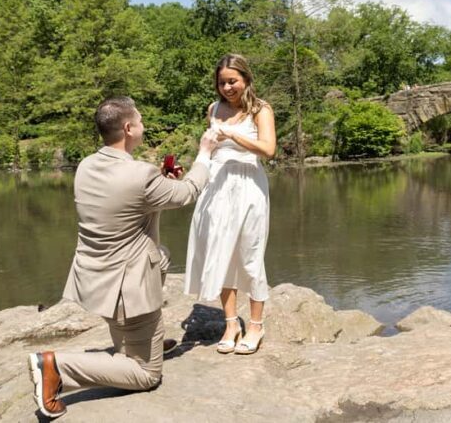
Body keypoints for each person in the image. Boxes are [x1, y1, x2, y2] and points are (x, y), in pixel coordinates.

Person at [27, 97, 218, 418]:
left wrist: (160, 182)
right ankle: (55, 367)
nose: (144, 127)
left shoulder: (87, 166)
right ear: (129, 129)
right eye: (141, 122)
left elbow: (125, 207)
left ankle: (142, 346)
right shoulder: (139, 175)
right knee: (147, 375)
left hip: (94, 277)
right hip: (127, 286)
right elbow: (187, 193)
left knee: (159, 265)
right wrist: (205, 154)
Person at [184, 53, 276, 356]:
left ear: (246, 80)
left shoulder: (261, 109)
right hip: (217, 187)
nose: (227, 87)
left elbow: (268, 150)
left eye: (233, 81)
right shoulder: (213, 109)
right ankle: (231, 323)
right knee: (221, 253)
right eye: (222, 82)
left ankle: (256, 325)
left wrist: (233, 134)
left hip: (248, 186)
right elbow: (209, 150)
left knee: (250, 256)